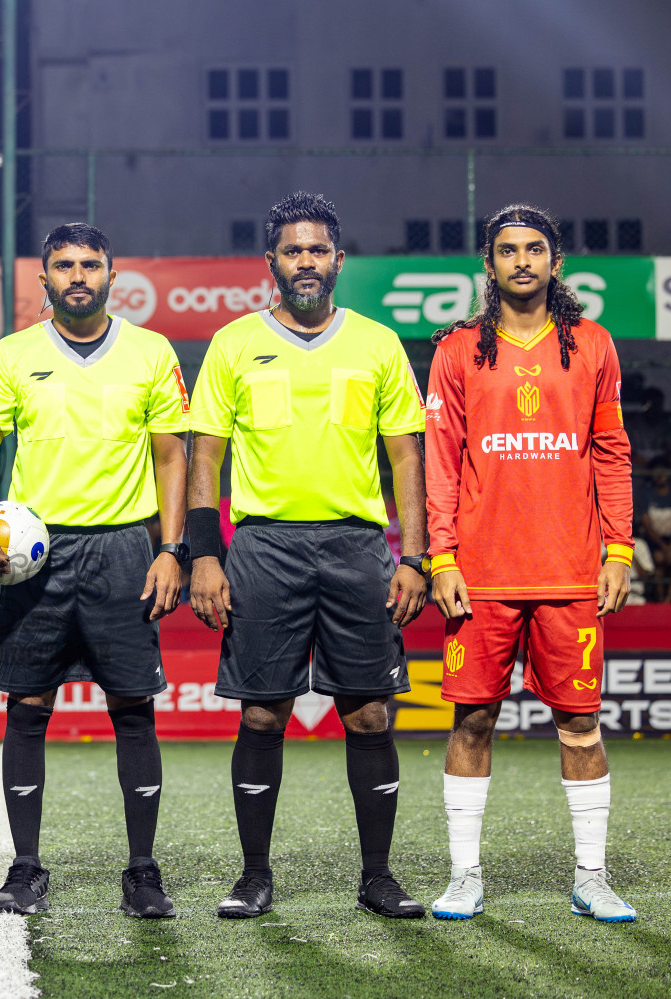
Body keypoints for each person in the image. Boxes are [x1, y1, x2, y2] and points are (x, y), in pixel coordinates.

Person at [188, 191, 429, 920]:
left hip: (358, 548)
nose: (306, 262)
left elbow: (406, 459)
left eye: (317, 250)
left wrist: (414, 557)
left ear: (338, 261)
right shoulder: (232, 344)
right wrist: (205, 556)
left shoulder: (378, 343)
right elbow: (205, 455)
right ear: (271, 262)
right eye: (292, 250)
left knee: (369, 716)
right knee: (263, 716)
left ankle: (378, 877)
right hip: (264, 547)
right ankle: (255, 875)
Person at [0, 222, 189, 919]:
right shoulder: (12, 355)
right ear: (45, 279)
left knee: (132, 710)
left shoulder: (151, 352)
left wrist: (171, 547)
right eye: (64, 265)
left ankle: (143, 871)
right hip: (36, 560)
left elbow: (172, 456)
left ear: (112, 276)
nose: (78, 276)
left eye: (91, 264)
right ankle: (26, 868)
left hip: (123, 550)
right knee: (27, 709)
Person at [425, 204, 636, 923]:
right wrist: (441, 556)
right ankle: (464, 876)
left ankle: (592, 876)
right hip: (479, 577)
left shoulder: (594, 346)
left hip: (571, 572)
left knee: (580, 727)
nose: (522, 260)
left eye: (535, 248)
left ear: (556, 263)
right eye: (507, 250)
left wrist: (619, 547)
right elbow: (441, 464)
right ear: (488, 266)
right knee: (471, 724)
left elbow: (611, 452)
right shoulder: (456, 352)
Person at [639, 467, 671, 604]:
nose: (660, 475)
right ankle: (660, 598)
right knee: (659, 559)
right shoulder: (646, 494)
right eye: (657, 472)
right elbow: (647, 526)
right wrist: (664, 547)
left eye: (663, 472)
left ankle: (669, 598)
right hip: (656, 538)